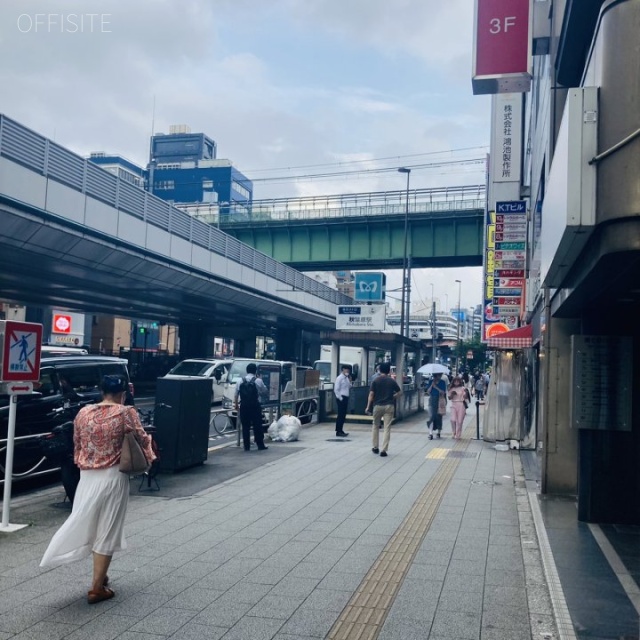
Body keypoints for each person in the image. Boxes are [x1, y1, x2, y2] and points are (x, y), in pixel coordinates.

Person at [40, 375, 156, 605]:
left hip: (87, 476)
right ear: (123, 394)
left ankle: (100, 576)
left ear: (101, 391)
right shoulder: (125, 413)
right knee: (108, 528)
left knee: (89, 521)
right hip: (113, 476)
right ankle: (96, 588)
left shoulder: (84, 413)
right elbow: (143, 440)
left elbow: (77, 443)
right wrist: (150, 459)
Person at [364, 362, 401, 457]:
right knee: (387, 428)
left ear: (379, 370)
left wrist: (368, 406)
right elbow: (400, 392)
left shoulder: (376, 380)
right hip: (389, 406)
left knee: (375, 426)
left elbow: (371, 395)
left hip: (377, 406)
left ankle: (375, 447)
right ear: (389, 371)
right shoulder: (391, 381)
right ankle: (384, 450)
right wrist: (393, 397)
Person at [234, 363, 270, 451]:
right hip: (255, 406)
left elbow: (236, 395)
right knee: (257, 425)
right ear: (255, 371)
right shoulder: (258, 381)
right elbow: (265, 391)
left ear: (246, 371)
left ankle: (246, 446)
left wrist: (236, 405)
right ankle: (260, 445)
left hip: (244, 406)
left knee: (245, 426)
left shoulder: (240, 381)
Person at [426, 372, 447, 439]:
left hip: (439, 400)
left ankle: (439, 432)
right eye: (438, 375)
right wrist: (432, 385)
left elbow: (443, 392)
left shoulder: (442, 382)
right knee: (431, 416)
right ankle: (430, 433)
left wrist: (436, 387)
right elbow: (428, 392)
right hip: (432, 400)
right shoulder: (430, 381)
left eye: (440, 375)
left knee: (439, 416)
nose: (439, 376)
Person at [333, 364, 351, 437]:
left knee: (343, 415)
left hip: (346, 397)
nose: (347, 371)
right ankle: (338, 430)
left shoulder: (346, 378)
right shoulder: (339, 378)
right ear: (342, 370)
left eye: (348, 370)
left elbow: (349, 387)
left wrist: (350, 381)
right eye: (346, 369)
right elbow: (336, 389)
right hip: (341, 398)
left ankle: (341, 429)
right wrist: (340, 398)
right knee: (340, 415)